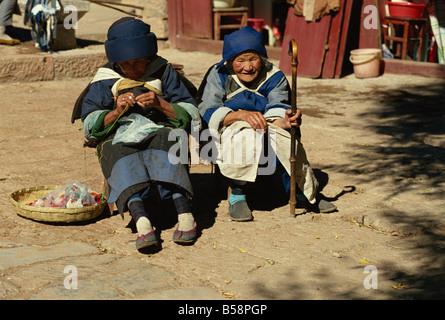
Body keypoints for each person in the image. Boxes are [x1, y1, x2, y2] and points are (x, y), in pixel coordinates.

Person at [77, 17, 200, 250]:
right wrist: (116, 111)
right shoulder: (105, 78)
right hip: (119, 134)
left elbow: (192, 113)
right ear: (115, 61)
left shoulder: (163, 71)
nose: (133, 69)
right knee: (117, 149)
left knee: (170, 141)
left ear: (148, 56)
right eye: (126, 64)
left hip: (160, 127)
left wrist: (160, 104)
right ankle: (141, 219)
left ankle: (185, 214)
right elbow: (90, 123)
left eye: (138, 62)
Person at [198, 26, 336, 222]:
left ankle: (301, 191)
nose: (248, 67)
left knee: (285, 139)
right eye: (240, 61)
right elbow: (207, 108)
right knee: (244, 135)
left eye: (253, 59)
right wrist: (240, 116)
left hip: (267, 126)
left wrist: (286, 120)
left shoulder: (274, 76)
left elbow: (278, 107)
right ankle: (237, 194)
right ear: (230, 61)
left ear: (262, 58)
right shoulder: (218, 74)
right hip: (228, 127)